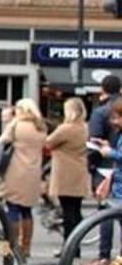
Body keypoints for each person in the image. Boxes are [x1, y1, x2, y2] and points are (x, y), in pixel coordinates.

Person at [0, 98, 47, 259]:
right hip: (33, 173)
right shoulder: (41, 127)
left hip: (15, 172)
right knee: (26, 211)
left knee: (12, 209)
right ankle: (26, 247)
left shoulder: (16, 125)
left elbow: (1, 142)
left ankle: (11, 246)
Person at [46, 98, 92, 246]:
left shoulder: (66, 129)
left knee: (68, 213)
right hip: (79, 172)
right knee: (76, 211)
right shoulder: (85, 128)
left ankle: (68, 245)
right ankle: (76, 246)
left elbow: (48, 142)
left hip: (65, 174)